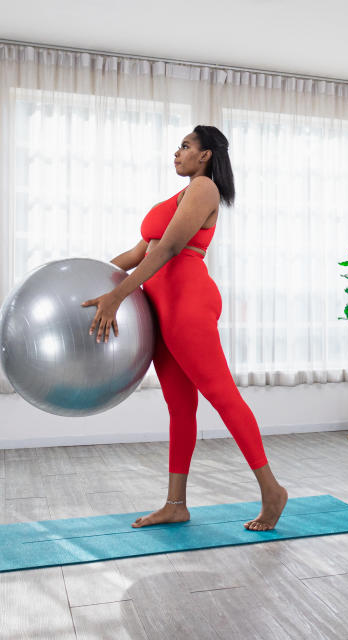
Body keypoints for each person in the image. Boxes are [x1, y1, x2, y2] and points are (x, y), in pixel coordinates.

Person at [81, 125, 288, 531]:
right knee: (180, 407)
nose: (177, 152)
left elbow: (174, 247)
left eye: (186, 146)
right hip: (162, 308)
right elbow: (138, 252)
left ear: (205, 155)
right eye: (179, 145)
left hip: (187, 303)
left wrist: (118, 296)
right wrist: (90, 280)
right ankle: (176, 504)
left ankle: (272, 490)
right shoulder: (176, 197)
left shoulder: (204, 190)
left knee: (222, 396)